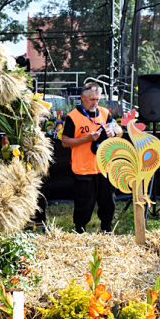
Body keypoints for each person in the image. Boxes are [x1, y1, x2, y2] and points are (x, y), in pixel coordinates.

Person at [61, 83, 122, 234]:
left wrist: (114, 132)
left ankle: (106, 230)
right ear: (82, 98)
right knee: (84, 204)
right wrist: (86, 139)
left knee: (108, 201)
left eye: (97, 99)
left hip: (104, 167)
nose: (95, 103)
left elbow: (119, 129)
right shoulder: (72, 117)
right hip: (83, 169)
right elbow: (65, 142)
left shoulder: (105, 113)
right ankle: (80, 231)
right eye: (91, 99)